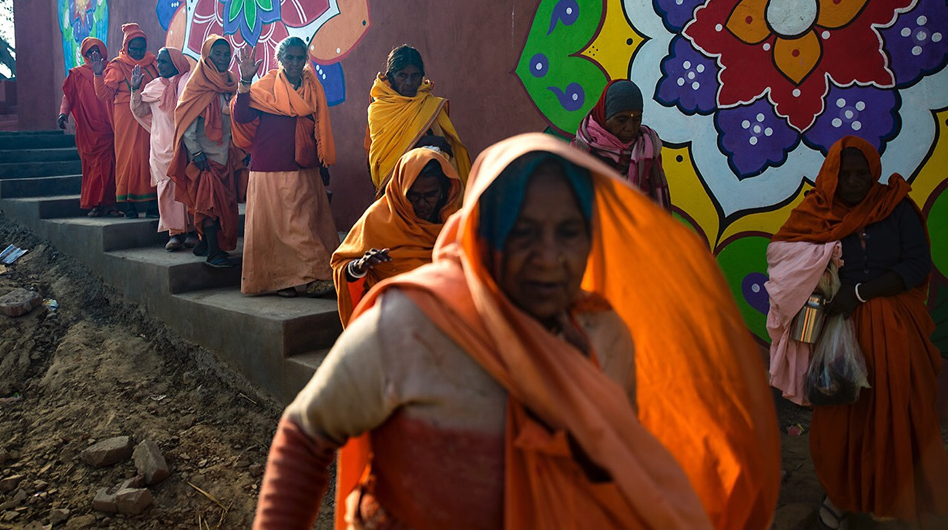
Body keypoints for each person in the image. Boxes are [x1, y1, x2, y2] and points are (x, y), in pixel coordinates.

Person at [254, 133, 780, 530]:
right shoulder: (414, 322)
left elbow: (610, 471)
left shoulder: (602, 335)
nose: (550, 258)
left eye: (569, 232)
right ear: (485, 231)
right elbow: (306, 434)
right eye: (524, 231)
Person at [769, 136, 948, 529]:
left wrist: (861, 292)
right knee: (841, 423)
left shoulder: (895, 208)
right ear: (831, 176)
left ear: (873, 173)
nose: (853, 182)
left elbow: (917, 264)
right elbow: (783, 258)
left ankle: (894, 499)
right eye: (844, 174)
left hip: (896, 333)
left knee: (897, 418)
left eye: (861, 173)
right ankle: (841, 497)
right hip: (838, 334)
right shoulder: (816, 212)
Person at [232, 37, 338, 297]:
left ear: (305, 60)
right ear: (279, 60)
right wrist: (245, 81)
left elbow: (318, 127)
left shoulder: (312, 87)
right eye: (288, 58)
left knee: (303, 224)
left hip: (304, 166)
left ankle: (314, 275)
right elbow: (241, 115)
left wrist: (322, 163)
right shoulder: (266, 85)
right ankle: (282, 281)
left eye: (299, 58)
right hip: (269, 167)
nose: (294, 63)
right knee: (276, 228)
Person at [331, 146, 462, 325]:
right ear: (400, 190)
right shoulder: (376, 218)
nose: (422, 204)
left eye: (430, 195)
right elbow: (341, 265)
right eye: (413, 196)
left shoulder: (454, 222)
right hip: (390, 320)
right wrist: (358, 268)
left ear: (444, 191)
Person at [169, 35, 243, 269]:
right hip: (205, 159)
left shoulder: (231, 82)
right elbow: (186, 123)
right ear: (206, 57)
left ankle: (205, 244)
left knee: (225, 205)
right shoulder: (197, 86)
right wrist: (197, 154)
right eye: (217, 54)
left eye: (225, 54)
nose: (223, 58)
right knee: (209, 204)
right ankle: (214, 253)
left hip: (226, 157)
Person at [364, 45, 471, 193]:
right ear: (390, 77)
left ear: (422, 76)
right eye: (402, 75)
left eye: (415, 76)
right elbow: (384, 158)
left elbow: (445, 146)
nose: (409, 83)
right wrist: (423, 141)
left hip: (432, 187)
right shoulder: (380, 109)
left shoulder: (429, 104)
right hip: (396, 187)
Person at [129, 47, 196, 250]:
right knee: (166, 189)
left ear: (176, 62)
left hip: (188, 145)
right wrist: (134, 90)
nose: (160, 65)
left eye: (164, 61)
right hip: (161, 147)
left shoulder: (188, 83)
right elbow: (139, 110)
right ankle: (174, 234)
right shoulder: (152, 87)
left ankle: (193, 230)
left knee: (191, 187)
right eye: (158, 61)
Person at [572, 79, 671, 210]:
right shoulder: (580, 153)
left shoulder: (648, 147)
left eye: (636, 119)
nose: (630, 128)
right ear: (604, 116)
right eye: (621, 120)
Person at [93, 23, 158, 218]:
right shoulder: (118, 65)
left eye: (141, 48)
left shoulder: (154, 63)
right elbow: (104, 94)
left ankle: (153, 203)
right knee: (127, 158)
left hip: (150, 118)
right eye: (133, 48)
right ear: (126, 46)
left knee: (151, 156)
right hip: (125, 118)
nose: (138, 52)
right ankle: (127, 204)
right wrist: (97, 73)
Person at [57, 37, 119, 217]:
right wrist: (63, 114)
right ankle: (95, 204)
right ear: (84, 54)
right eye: (90, 51)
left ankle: (109, 204)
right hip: (87, 129)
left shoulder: (112, 69)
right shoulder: (77, 74)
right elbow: (68, 97)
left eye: (96, 50)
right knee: (92, 168)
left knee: (108, 166)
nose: (94, 54)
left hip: (109, 127)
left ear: (103, 52)